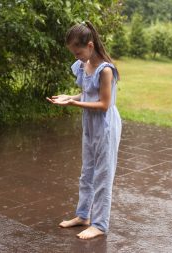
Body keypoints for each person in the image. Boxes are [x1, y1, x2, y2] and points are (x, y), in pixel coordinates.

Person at [46, 21, 122, 240]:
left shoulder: (105, 69)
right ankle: (83, 216)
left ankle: (99, 224)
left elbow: (104, 104)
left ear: (90, 45)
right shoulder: (84, 65)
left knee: (103, 176)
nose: (76, 56)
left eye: (78, 52)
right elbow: (88, 94)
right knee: (86, 173)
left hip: (105, 126)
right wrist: (69, 97)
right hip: (89, 125)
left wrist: (72, 105)